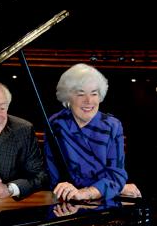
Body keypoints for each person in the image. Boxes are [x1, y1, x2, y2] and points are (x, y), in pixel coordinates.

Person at [43, 63, 141, 201]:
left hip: (102, 200)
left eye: (94, 93)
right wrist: (117, 188)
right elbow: (53, 176)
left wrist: (88, 192)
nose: (88, 101)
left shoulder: (112, 126)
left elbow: (117, 175)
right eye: (81, 94)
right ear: (68, 97)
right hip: (65, 200)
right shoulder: (56, 124)